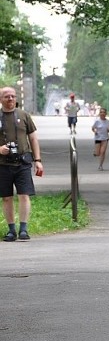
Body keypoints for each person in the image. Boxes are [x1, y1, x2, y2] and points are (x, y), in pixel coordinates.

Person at [0, 87, 44, 241]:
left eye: (12, 96)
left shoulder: (24, 115)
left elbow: (33, 139)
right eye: (6, 97)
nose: (10, 99)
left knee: (24, 195)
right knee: (6, 197)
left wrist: (37, 161)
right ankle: (11, 230)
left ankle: (23, 229)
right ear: (1, 99)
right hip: (3, 164)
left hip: (23, 162)